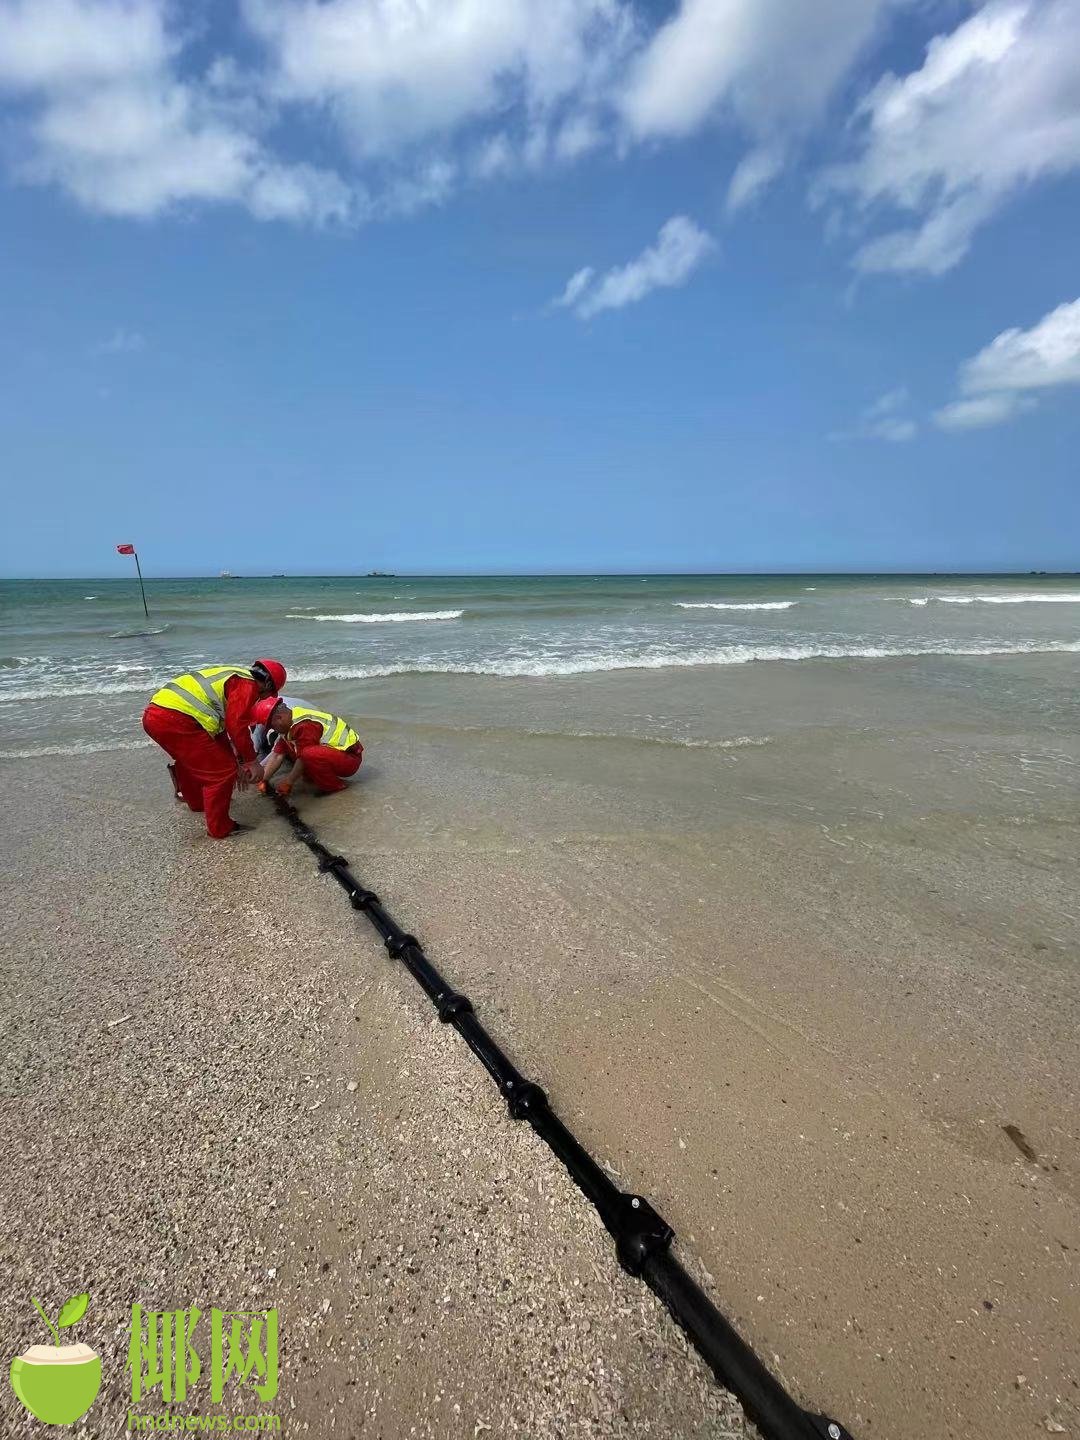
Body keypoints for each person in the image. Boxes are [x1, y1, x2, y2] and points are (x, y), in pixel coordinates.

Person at [142, 660, 287, 839]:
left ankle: (197, 803)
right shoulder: (247, 685)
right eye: (268, 694)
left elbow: (220, 733)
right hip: (177, 719)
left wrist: (237, 763)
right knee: (221, 773)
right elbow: (236, 726)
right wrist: (251, 761)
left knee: (194, 761)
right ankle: (220, 828)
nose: (263, 699)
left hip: (157, 716)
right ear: (267, 684)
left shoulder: (232, 675)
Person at [250, 697, 363, 798]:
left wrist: (288, 782)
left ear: (279, 718)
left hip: (349, 759)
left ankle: (336, 787)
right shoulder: (290, 722)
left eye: (271, 726)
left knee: (307, 754)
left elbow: (304, 758)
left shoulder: (304, 725)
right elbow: (277, 755)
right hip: (334, 754)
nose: (273, 729)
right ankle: (315, 778)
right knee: (289, 747)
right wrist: (263, 780)